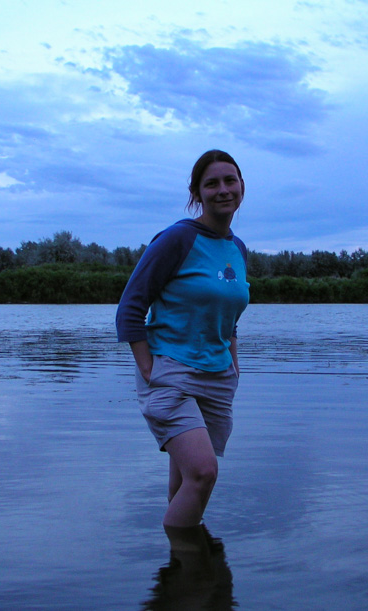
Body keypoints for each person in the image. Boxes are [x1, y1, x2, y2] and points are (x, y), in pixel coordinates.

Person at [115, 149, 250, 533]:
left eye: (230, 180)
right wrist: (149, 368)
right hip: (171, 370)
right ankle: (184, 563)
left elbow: (230, 316)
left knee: (186, 480)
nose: (222, 189)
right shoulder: (178, 238)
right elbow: (130, 307)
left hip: (217, 375)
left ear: (242, 187)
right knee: (204, 473)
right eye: (212, 183)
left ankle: (181, 583)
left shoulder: (237, 248)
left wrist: (234, 365)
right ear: (197, 193)